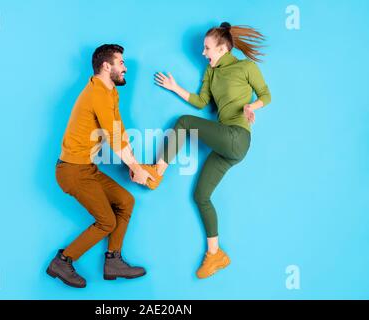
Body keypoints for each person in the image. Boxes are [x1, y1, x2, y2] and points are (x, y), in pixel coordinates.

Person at [141, 22, 272, 279]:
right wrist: (174, 87)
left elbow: (266, 95)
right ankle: (215, 255)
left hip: (237, 137)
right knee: (201, 195)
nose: (203, 53)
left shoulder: (245, 67)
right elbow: (202, 103)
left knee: (185, 122)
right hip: (226, 145)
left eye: (207, 48)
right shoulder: (211, 72)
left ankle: (157, 171)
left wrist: (251, 108)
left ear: (222, 48)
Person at [47, 44, 154, 288]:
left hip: (87, 169)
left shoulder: (110, 91)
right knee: (107, 221)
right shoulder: (96, 93)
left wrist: (133, 163)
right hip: (72, 171)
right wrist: (136, 168)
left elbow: (119, 130)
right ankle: (63, 261)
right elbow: (113, 137)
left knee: (126, 202)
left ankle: (113, 261)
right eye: (122, 63)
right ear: (107, 66)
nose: (125, 68)